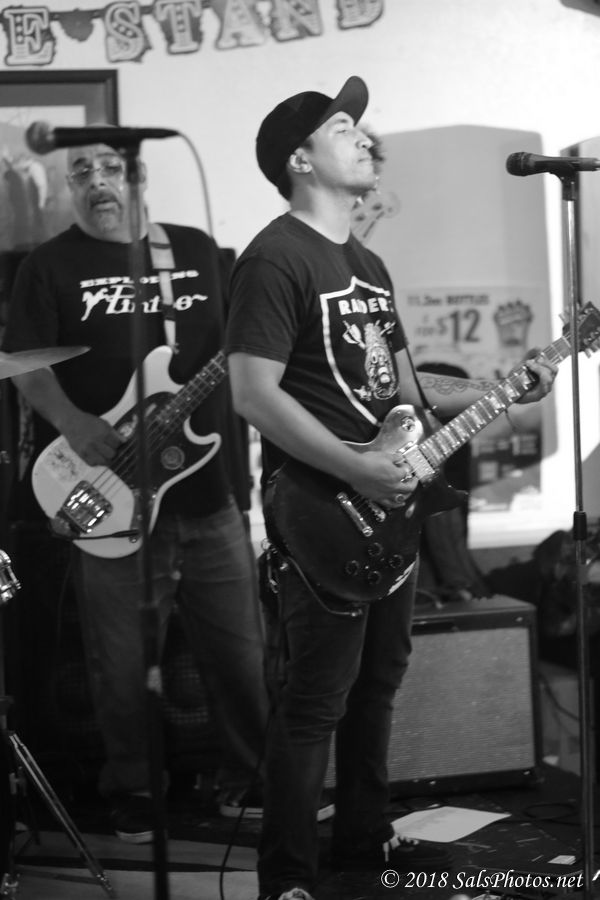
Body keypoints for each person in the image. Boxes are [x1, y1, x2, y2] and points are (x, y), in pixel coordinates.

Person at [224, 75, 558, 900]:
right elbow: (253, 394)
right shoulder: (275, 256)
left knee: (377, 690)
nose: (366, 139)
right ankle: (286, 877)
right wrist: (357, 467)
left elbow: (405, 389)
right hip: (323, 510)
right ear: (301, 159)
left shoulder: (367, 264)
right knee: (316, 703)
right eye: (345, 128)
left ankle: (364, 844)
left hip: (390, 508)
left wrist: (497, 386)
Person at [1, 139, 270, 841]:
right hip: (109, 489)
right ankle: (135, 789)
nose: (96, 182)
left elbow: (239, 348)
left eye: (109, 169)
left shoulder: (195, 250)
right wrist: (73, 422)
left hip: (204, 488)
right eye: (80, 172)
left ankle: (249, 779)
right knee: (117, 664)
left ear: (139, 175)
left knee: (241, 653)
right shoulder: (47, 266)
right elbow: (25, 364)